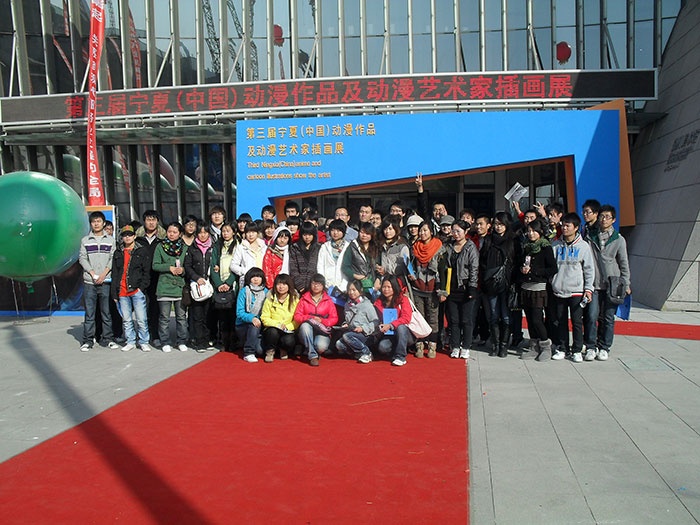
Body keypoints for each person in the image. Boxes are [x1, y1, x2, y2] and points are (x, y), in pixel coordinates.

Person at [585, 205, 631, 361]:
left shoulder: (618, 239)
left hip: (612, 285)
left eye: (607, 217)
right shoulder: (590, 236)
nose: (604, 219)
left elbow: (624, 263)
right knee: (592, 316)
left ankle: (604, 347)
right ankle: (591, 346)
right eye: (602, 216)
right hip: (594, 283)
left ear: (613, 220)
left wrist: (626, 283)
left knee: (608, 318)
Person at [550, 213, 595, 362]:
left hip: (576, 291)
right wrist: (553, 282)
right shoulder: (556, 245)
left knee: (577, 322)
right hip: (559, 290)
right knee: (560, 321)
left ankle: (577, 350)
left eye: (568, 226)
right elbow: (551, 266)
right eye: (563, 225)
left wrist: (588, 289)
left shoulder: (583, 247)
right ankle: (563, 348)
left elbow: (589, 269)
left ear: (576, 228)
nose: (564, 228)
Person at [516, 218, 558, 361]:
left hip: (539, 288)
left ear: (540, 232)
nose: (531, 233)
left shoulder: (546, 247)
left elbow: (553, 269)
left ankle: (546, 346)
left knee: (537, 319)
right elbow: (521, 263)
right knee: (529, 319)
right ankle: (533, 346)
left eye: (534, 231)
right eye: (529, 231)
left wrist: (535, 271)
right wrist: (522, 269)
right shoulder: (526, 247)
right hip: (525, 286)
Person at [78, 211, 119, 351]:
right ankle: (88, 340)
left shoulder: (111, 240)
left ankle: (108, 339)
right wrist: (92, 273)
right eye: (94, 221)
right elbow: (82, 258)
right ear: (91, 224)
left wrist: (103, 274)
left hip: (106, 281)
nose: (96, 224)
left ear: (103, 223)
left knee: (106, 312)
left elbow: (112, 258)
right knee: (90, 314)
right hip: (90, 282)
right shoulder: (85, 240)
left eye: (99, 221)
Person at [439, 219, 479, 359]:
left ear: (466, 231)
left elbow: (474, 269)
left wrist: (472, 287)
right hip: (451, 287)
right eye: (453, 231)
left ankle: (466, 346)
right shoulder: (448, 246)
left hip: (465, 287)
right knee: (453, 320)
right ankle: (455, 346)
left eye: (458, 231)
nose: (455, 234)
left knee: (466, 320)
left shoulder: (470, 247)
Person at [480, 211, 518, 358]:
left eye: (501, 224)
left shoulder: (513, 240)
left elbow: (516, 261)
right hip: (491, 283)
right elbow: (483, 260)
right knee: (493, 315)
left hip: (507, 283)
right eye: (496, 224)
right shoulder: (489, 240)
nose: (498, 227)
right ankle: (495, 345)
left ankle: (504, 345)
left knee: (506, 316)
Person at [111, 225, 152, 352]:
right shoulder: (118, 252)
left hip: (136, 290)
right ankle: (130, 341)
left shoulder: (141, 251)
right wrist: (114, 292)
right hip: (122, 291)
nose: (127, 237)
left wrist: (141, 288)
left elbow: (146, 272)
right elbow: (115, 273)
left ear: (134, 236)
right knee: (127, 319)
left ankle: (144, 341)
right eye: (125, 235)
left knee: (141, 319)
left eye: (130, 235)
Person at [408, 220, 444, 358]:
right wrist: (411, 276)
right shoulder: (415, 247)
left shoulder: (439, 247)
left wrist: (441, 290)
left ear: (431, 232)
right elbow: (410, 265)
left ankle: (432, 346)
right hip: (417, 288)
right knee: (419, 318)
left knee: (433, 319)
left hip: (433, 290)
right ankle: (419, 345)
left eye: (425, 230)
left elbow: (443, 270)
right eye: (421, 230)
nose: (422, 233)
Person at [151, 221, 189, 353]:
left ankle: (182, 341)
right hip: (164, 286)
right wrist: (169, 268)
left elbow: (189, 265)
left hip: (179, 287)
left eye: (174, 232)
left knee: (181, 317)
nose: (171, 234)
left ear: (180, 234)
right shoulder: (160, 246)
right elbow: (155, 265)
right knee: (164, 318)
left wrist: (183, 270)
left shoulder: (184, 248)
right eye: (169, 232)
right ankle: (165, 341)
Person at [135, 210, 166, 346]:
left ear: (157, 221)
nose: (151, 222)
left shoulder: (163, 239)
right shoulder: (137, 239)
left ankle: (155, 335)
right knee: (142, 308)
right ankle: (143, 336)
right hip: (141, 278)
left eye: (154, 220)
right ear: (144, 221)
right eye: (148, 220)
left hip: (157, 278)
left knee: (155, 308)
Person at [294, 273, 338, 366]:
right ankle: (313, 355)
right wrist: (310, 318)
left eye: (319, 284)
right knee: (305, 326)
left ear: (323, 285)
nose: (316, 286)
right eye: (313, 283)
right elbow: (297, 316)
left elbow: (334, 318)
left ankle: (308, 348)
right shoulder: (304, 299)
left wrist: (322, 321)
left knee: (321, 347)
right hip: (307, 330)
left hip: (322, 330)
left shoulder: (328, 300)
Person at [184, 221, 214, 352]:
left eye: (205, 232)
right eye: (200, 232)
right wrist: (196, 278)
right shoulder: (192, 248)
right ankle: (199, 341)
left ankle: (207, 340)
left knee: (208, 315)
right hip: (196, 285)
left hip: (210, 285)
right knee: (197, 315)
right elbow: (187, 266)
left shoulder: (213, 247)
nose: (203, 235)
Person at [335, 279, 380, 363]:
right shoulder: (347, 305)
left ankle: (366, 353)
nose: (351, 292)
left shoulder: (367, 304)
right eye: (349, 290)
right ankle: (359, 354)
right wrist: (345, 324)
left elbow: (376, 322)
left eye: (354, 290)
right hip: (352, 333)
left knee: (346, 336)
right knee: (339, 344)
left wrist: (363, 328)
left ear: (360, 290)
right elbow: (347, 320)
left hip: (367, 334)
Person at [373, 275, 414, 367]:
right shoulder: (378, 302)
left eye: (389, 287)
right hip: (389, 334)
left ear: (394, 287)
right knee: (383, 347)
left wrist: (391, 325)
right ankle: (398, 348)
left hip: (405, 333)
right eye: (384, 287)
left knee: (401, 327)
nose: (386, 290)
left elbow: (406, 318)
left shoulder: (403, 299)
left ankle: (400, 357)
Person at [211, 222, 238, 352]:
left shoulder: (238, 245)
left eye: (228, 231)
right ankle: (223, 340)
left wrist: (228, 283)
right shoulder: (217, 246)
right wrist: (219, 284)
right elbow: (213, 266)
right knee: (222, 315)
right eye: (223, 231)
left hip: (233, 285)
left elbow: (238, 266)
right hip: (220, 285)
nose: (225, 233)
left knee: (232, 314)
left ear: (233, 232)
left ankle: (233, 341)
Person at [260, 273, 299, 362]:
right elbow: (264, 317)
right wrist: (277, 324)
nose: (281, 287)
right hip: (273, 328)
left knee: (289, 341)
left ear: (289, 285)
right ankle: (270, 351)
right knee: (272, 332)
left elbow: (297, 319)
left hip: (288, 329)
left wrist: (288, 326)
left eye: (284, 284)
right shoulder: (269, 299)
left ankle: (283, 349)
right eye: (278, 284)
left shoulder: (295, 300)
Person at [236, 267, 268, 363]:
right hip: (243, 325)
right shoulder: (244, 291)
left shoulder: (266, 292)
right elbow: (239, 312)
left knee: (260, 351)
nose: (256, 279)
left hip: (261, 325)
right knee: (254, 324)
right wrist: (252, 318)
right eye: (253, 277)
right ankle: (248, 353)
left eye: (258, 277)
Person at [342, 221, 380, 298]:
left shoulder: (376, 248)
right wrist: (356, 276)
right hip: (357, 286)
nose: (364, 235)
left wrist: (378, 279)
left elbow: (378, 265)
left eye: (367, 233)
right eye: (362, 232)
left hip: (372, 285)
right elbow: (345, 267)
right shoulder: (353, 247)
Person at [230, 221, 267, 289]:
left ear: (257, 233)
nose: (251, 235)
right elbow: (233, 265)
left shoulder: (264, 247)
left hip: (262, 281)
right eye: (248, 232)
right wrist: (246, 272)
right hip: (247, 281)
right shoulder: (241, 247)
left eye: (253, 232)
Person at [289, 221, 322, 295]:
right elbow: (293, 268)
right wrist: (300, 285)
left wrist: (315, 285)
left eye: (310, 235)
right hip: (299, 287)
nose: (307, 237)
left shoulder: (319, 248)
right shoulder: (295, 248)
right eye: (305, 235)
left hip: (315, 286)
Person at [317, 219, 350, 292]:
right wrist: (324, 283)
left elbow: (350, 267)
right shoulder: (324, 247)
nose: (335, 233)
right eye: (332, 230)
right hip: (327, 285)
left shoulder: (348, 247)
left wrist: (343, 286)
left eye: (338, 230)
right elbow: (320, 266)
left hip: (344, 285)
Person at [376, 215, 411, 286]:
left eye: (390, 229)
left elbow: (403, 267)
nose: (387, 231)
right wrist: (377, 267)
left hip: (397, 282)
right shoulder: (381, 244)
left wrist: (385, 270)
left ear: (396, 229)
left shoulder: (402, 246)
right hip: (383, 281)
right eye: (385, 229)